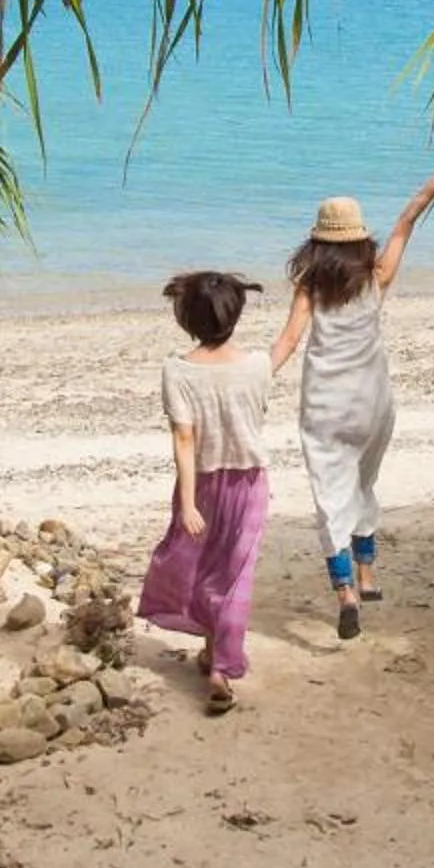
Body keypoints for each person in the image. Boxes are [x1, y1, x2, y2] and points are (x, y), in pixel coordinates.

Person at [271, 155, 434, 640]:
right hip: (375, 405)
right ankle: (369, 573)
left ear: (317, 242)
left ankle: (345, 593)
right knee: (363, 483)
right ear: (359, 239)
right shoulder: (377, 277)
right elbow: (407, 219)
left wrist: (255, 376)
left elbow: (289, 341)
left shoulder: (309, 286)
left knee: (329, 498)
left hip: (325, 410)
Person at [134, 270, 275, 714]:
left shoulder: (177, 370)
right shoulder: (257, 365)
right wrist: (307, 295)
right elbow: (290, 341)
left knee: (204, 566)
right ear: (236, 315)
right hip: (249, 482)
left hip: (203, 483)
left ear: (185, 319)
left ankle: (216, 656)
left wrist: (190, 502)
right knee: (234, 573)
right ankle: (221, 665)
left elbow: (183, 440)